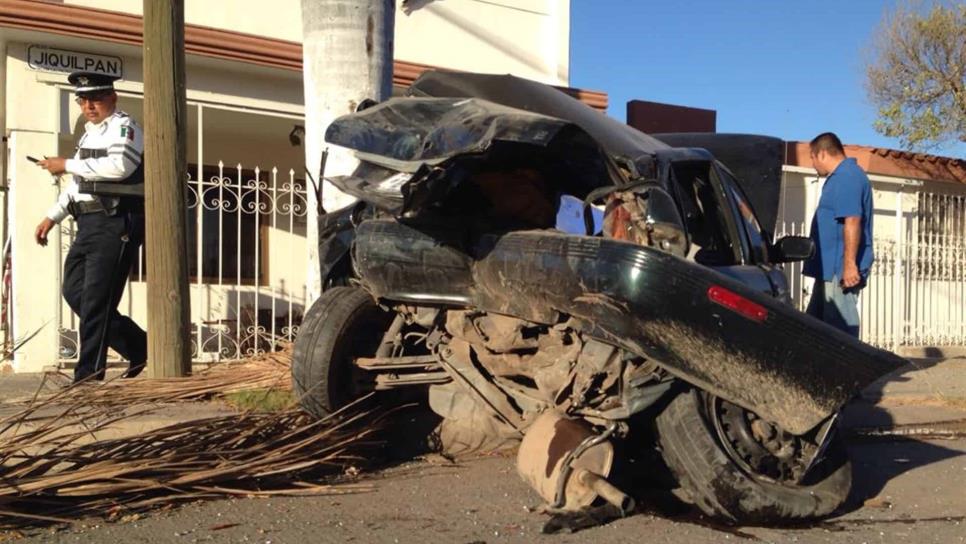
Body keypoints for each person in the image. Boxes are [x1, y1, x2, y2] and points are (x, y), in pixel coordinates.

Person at [34, 71, 147, 383]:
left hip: (114, 220)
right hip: (87, 222)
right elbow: (78, 184)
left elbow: (120, 166)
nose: (89, 105)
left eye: (96, 98)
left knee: (97, 299)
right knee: (75, 292)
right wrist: (51, 217)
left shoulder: (125, 127)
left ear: (112, 97)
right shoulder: (89, 134)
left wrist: (66, 163)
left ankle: (88, 376)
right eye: (83, 100)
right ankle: (139, 345)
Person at [802, 132, 874, 338]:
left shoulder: (847, 177)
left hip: (839, 269)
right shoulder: (840, 178)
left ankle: (849, 368)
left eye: (812, 158)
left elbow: (852, 220)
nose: (812, 164)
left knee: (840, 330)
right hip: (828, 269)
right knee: (814, 328)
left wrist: (849, 265)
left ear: (823, 153)